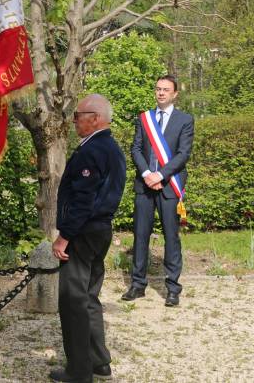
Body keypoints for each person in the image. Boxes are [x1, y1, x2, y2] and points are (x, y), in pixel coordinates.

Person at [50, 93, 126, 383]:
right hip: (99, 230)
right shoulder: (111, 148)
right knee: (89, 297)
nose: (74, 122)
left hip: (83, 233)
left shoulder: (92, 151)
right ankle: (99, 361)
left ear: (94, 119)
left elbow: (84, 199)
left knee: (73, 301)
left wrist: (64, 237)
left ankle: (80, 371)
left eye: (78, 116)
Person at [123, 74, 194, 307]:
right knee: (140, 236)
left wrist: (160, 175)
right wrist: (147, 174)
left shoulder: (185, 120)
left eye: (166, 89)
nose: (161, 93)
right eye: (158, 89)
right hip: (144, 186)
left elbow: (183, 154)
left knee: (171, 237)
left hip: (168, 186)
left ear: (174, 94)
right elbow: (136, 149)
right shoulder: (144, 119)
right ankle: (137, 285)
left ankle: (172, 288)